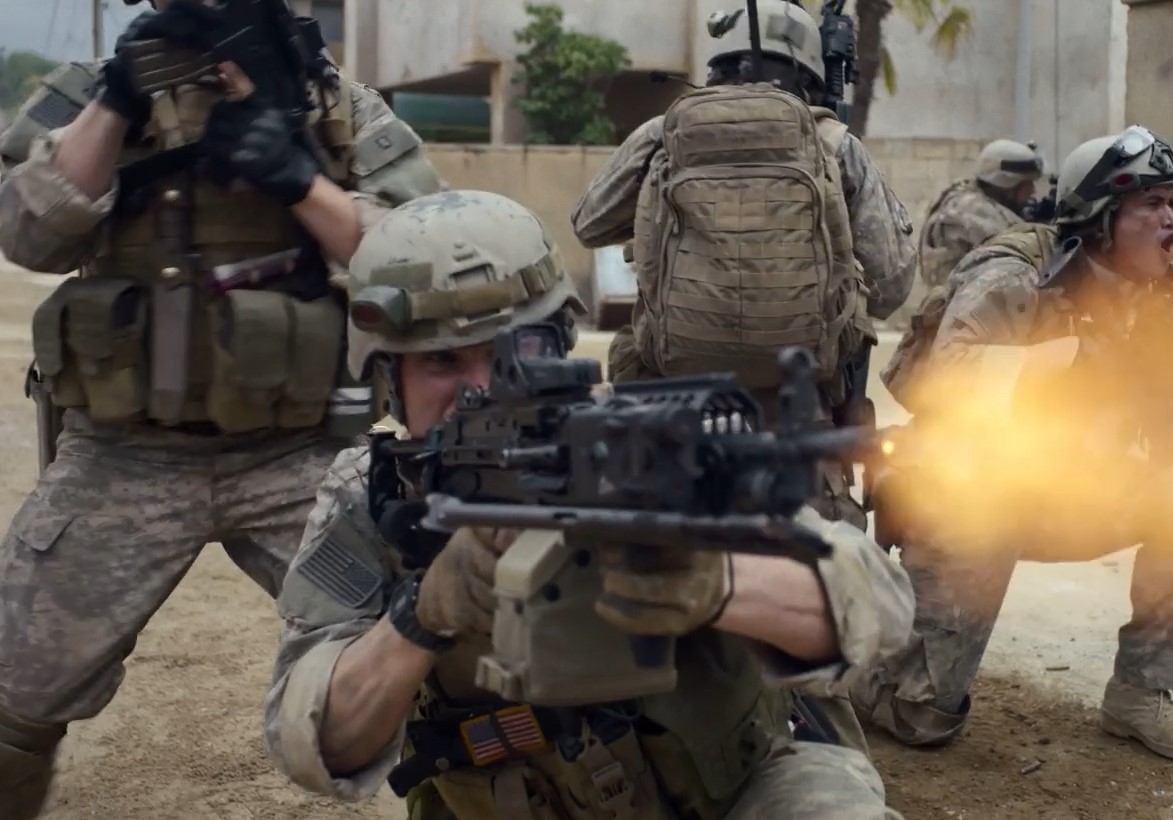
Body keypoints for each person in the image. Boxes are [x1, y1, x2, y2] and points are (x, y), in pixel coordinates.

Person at [262, 189, 915, 820]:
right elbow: (314, 738)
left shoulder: (640, 443)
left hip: (741, 792)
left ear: (557, 343)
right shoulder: (370, 494)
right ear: (388, 378)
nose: (484, 389)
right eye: (442, 362)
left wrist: (716, 583)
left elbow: (879, 605)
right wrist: (422, 614)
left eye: (512, 353)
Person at [0, 1, 443, 814]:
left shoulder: (338, 106)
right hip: (123, 452)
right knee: (12, 692)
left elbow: (424, 263)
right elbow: (28, 235)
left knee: (439, 667)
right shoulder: (95, 92)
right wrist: (117, 99)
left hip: (302, 454)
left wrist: (298, 176)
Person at [845, 126, 1173, 761]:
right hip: (969, 494)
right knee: (923, 718)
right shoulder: (1014, 273)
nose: (1171, 218)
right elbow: (947, 380)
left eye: (1172, 201)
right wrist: (1068, 357)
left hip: (1067, 489)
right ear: (1102, 215)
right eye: (1152, 204)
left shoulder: (1153, 296)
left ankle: (1141, 695)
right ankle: (859, 676)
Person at [570, 0, 916, 752]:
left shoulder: (665, 134)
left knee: (660, 611)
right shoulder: (833, 144)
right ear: (809, 67)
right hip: (801, 431)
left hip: (672, 427)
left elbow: (588, 222)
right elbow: (892, 285)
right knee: (814, 628)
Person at [917, 138, 1044, 288]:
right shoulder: (971, 209)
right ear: (1006, 184)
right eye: (1027, 184)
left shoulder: (967, 198)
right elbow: (1025, 254)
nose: (1033, 191)